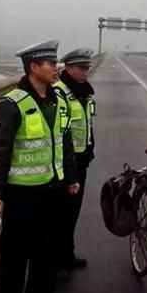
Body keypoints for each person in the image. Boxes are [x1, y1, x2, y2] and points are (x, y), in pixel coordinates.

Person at [0, 40, 80, 293]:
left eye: (56, 63)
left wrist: (71, 177)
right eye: (50, 64)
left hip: (52, 191)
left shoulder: (59, 101)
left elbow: (63, 142)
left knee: (47, 254)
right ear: (33, 67)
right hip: (22, 196)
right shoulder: (11, 104)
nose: (56, 68)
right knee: (13, 260)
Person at [53, 48, 97, 280]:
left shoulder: (83, 93)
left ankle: (67, 255)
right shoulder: (59, 93)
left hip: (80, 161)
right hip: (63, 164)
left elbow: (86, 125)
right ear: (68, 68)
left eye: (88, 68)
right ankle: (56, 262)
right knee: (60, 214)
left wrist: (89, 150)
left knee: (73, 212)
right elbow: (61, 132)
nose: (86, 72)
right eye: (81, 68)